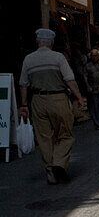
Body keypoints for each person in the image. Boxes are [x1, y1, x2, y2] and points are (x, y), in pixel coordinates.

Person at [18, 28, 86, 184]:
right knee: (66, 134)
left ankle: (51, 174)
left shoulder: (28, 59)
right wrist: (79, 97)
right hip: (59, 99)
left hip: (37, 100)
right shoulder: (58, 58)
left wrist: (23, 104)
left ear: (38, 41)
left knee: (44, 138)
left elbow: (23, 84)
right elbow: (70, 79)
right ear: (51, 42)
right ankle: (59, 164)